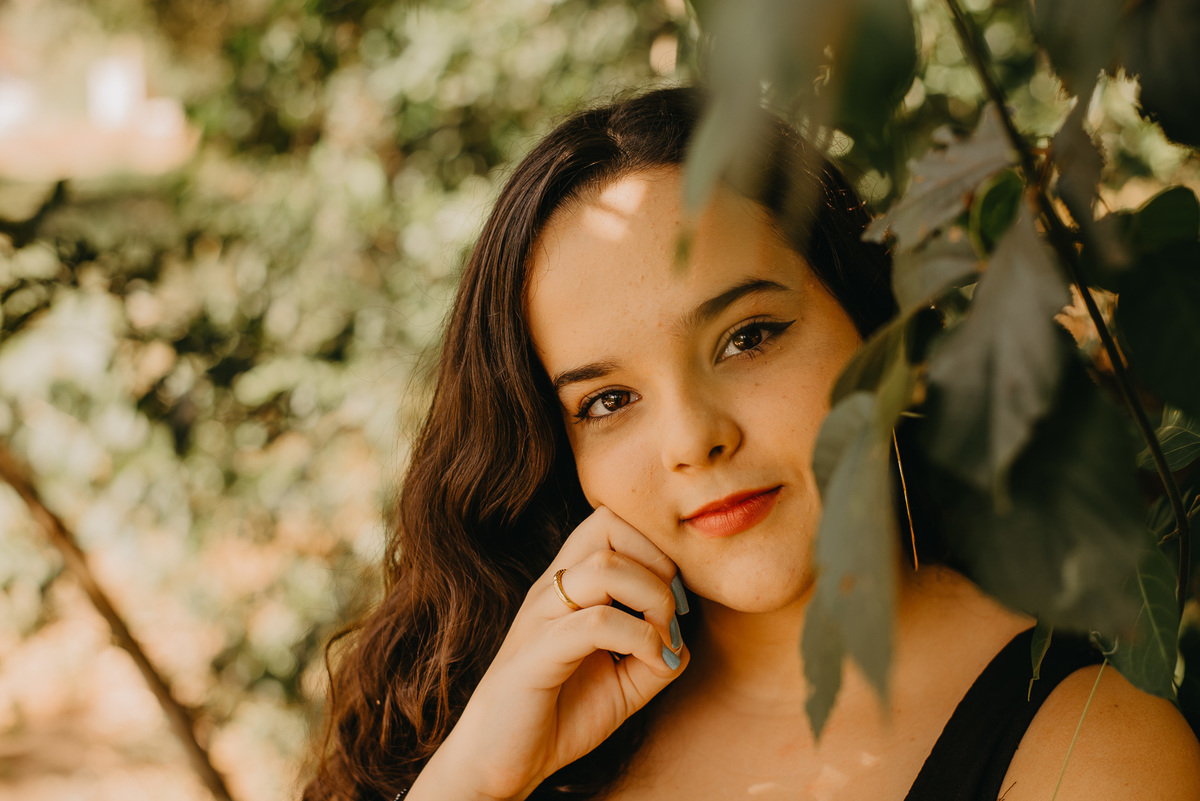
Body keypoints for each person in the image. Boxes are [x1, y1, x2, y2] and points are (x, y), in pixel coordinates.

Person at [301, 86, 1200, 801]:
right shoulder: (517, 724)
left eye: (748, 337)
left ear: (876, 331)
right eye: (608, 400)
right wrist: (472, 777)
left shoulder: (1094, 753)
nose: (694, 439)